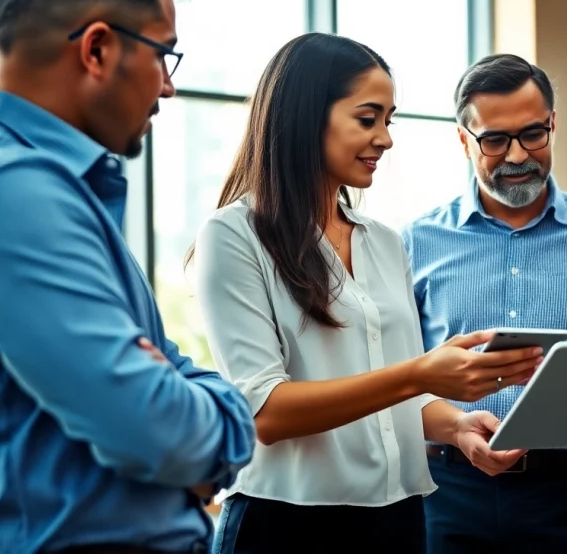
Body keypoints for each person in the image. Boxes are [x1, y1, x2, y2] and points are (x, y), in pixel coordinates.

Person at [189, 33, 544, 554]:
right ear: (307, 117)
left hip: (396, 521)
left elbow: (399, 392)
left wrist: (457, 426)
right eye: (367, 118)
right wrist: (421, 373)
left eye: (389, 119)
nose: (385, 138)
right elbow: (265, 411)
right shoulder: (233, 235)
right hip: (284, 525)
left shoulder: (383, 241)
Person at [0, 0, 257, 554]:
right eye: (163, 55)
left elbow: (175, 374)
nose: (168, 88)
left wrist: (187, 403)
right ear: (98, 49)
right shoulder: (9, 193)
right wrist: (214, 421)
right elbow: (161, 432)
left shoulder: (62, 193)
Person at [401, 53, 567, 554]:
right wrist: (454, 429)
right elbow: (396, 381)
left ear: (553, 125)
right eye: (495, 140)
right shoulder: (414, 243)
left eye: (532, 134)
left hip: (566, 495)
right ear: (463, 140)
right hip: (445, 489)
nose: (517, 155)